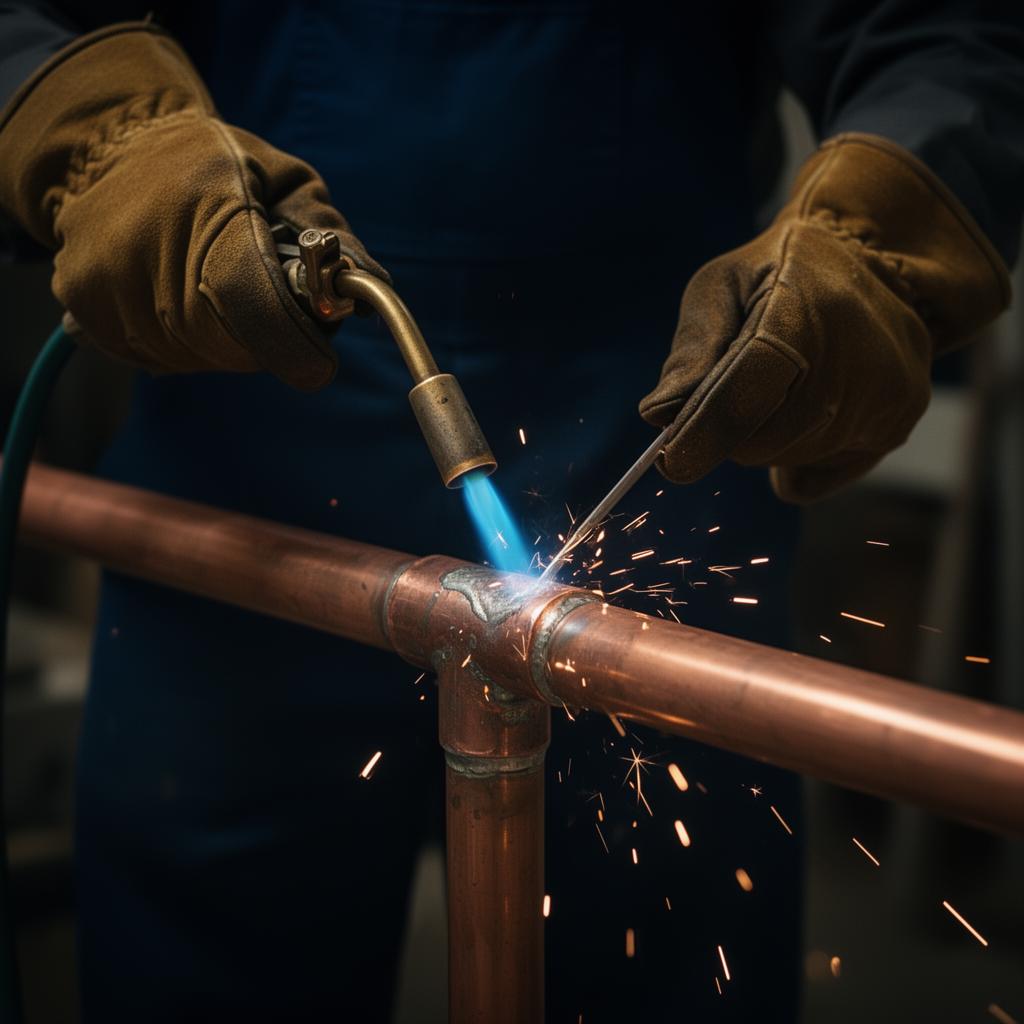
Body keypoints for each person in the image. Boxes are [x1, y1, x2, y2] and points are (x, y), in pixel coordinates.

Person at [1, 3, 1021, 1020]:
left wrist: (875, 242)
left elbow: (946, 34)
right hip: (241, 475)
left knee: (666, 960)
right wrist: (105, 145)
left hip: (660, 436)